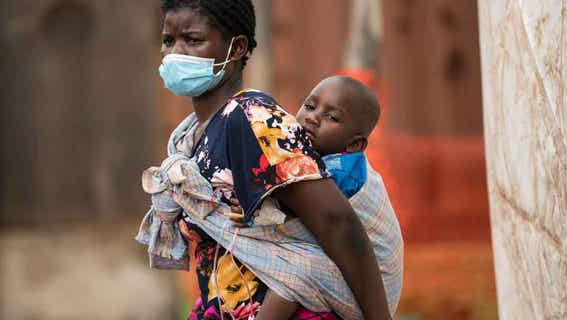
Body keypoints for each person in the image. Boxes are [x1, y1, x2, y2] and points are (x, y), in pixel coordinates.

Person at [148, 1, 391, 319]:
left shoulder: (251, 118)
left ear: (236, 48)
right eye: (169, 41)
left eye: (193, 40)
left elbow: (335, 220)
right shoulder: (192, 136)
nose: (176, 53)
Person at [245, 76, 403, 319]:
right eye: (310, 106)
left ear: (354, 144)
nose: (313, 117)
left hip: (373, 280)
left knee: (295, 275)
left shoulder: (343, 169)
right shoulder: (316, 159)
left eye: (332, 117)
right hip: (342, 265)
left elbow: (297, 206)